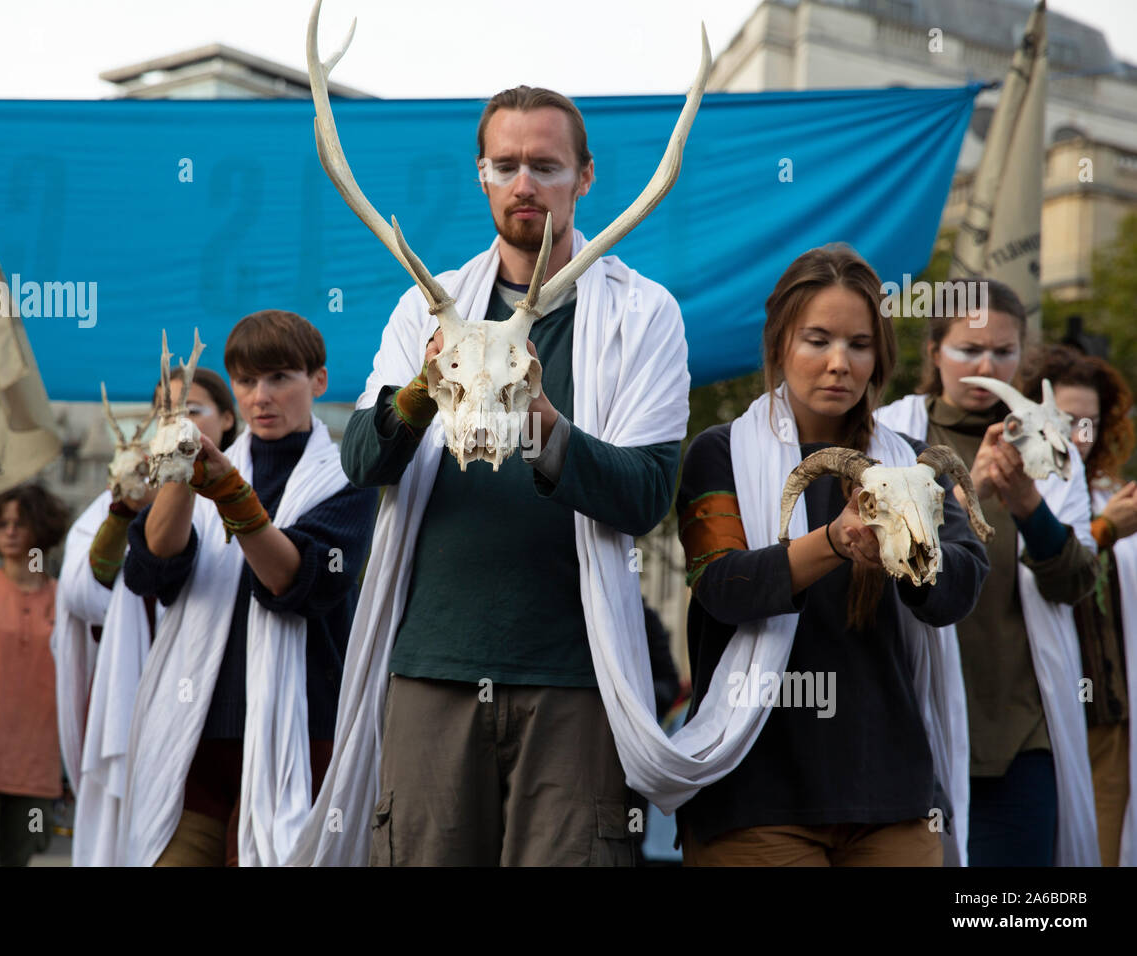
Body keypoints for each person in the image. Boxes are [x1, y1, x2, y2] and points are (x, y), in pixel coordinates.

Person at [335, 85, 689, 866]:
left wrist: (543, 424)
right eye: (506, 165)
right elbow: (361, 459)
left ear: (585, 177)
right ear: (482, 176)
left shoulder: (645, 314)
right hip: (433, 667)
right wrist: (428, 386)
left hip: (577, 679)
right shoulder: (423, 310)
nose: (524, 183)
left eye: (545, 165)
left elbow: (645, 494)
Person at [673, 246, 988, 866]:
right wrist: (835, 541)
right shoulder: (719, 454)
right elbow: (724, 586)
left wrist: (909, 547)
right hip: (755, 798)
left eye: (859, 345)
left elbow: (957, 589)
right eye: (816, 339)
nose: (840, 363)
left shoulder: (914, 465)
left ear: (880, 358)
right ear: (778, 344)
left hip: (892, 799)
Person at [118, 311, 378, 866]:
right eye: (246, 381)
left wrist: (232, 494)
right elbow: (150, 570)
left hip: (305, 734)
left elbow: (297, 581)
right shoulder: (216, 463)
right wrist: (181, 471)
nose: (261, 396)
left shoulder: (349, 478)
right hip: (195, 734)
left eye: (280, 377)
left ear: (320, 381)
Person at [876, 281, 1100, 866]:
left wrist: (1028, 504)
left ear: (1023, 356)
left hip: (1021, 724)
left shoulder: (1052, 449)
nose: (985, 365)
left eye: (1002, 352)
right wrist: (960, 495)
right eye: (968, 349)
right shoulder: (888, 436)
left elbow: (1076, 582)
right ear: (934, 352)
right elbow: (887, 561)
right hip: (907, 719)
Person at [62, 366, 239, 867]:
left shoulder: (251, 490)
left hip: (221, 714)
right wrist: (123, 512)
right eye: (166, 410)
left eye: (193, 410)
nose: (176, 421)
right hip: (137, 697)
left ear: (229, 419)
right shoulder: (120, 495)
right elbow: (83, 593)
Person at [1022, 345, 1137, 866]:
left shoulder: (1113, 495)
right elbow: (1041, 571)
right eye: (1067, 422)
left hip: (1108, 715)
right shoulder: (1015, 496)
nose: (1079, 438)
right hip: (1036, 725)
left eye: (1090, 423)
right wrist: (1105, 529)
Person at [0, 483, 71, 866]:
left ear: (40, 530)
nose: (9, 531)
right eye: (2, 523)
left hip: (38, 771)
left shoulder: (68, 601)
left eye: (20, 524)